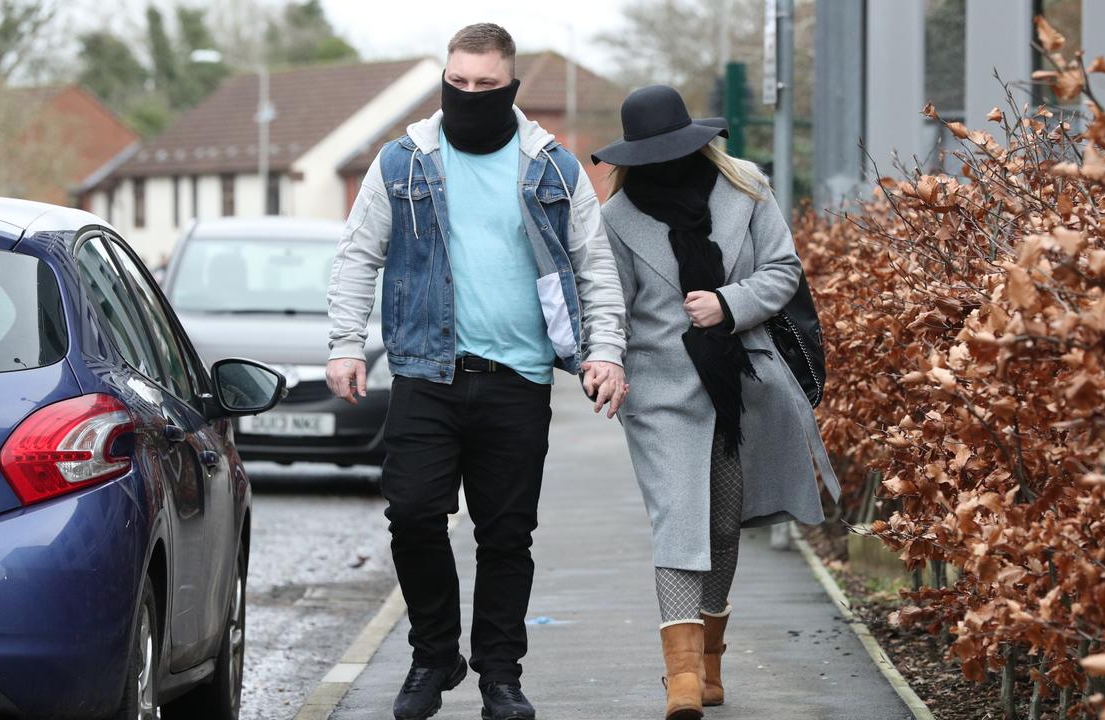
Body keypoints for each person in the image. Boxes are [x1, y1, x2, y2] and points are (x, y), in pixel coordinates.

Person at [325, 23, 627, 720]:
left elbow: (595, 268)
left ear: (510, 86)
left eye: (484, 85)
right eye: (456, 82)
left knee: (506, 535)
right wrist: (345, 343)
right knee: (414, 516)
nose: (468, 94)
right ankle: (435, 655)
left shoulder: (553, 168)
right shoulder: (402, 162)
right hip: (427, 373)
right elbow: (356, 256)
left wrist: (604, 351)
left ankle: (499, 676)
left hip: (517, 380)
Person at [593, 85, 841, 720]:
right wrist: (606, 364)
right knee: (680, 517)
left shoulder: (747, 188)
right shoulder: (617, 219)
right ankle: (680, 681)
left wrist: (728, 304)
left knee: (724, 523)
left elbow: (785, 271)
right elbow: (611, 308)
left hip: (741, 379)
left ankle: (708, 666)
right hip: (658, 390)